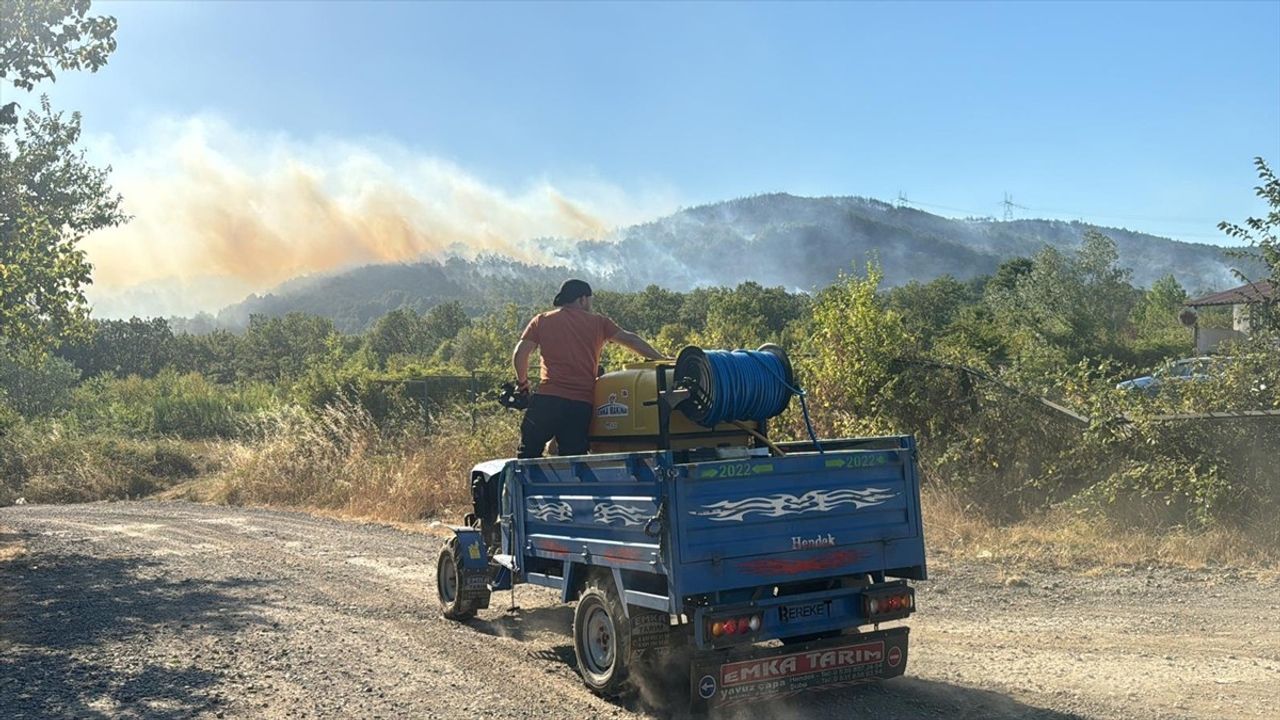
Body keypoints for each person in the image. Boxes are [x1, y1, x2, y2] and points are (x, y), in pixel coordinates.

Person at [512, 279, 665, 458]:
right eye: (590, 300)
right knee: (573, 460)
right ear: (583, 299)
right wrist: (661, 359)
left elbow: (520, 353)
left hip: (548, 399)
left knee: (527, 454)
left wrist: (522, 384)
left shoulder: (542, 320)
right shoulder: (599, 323)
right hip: (580, 404)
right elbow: (631, 340)